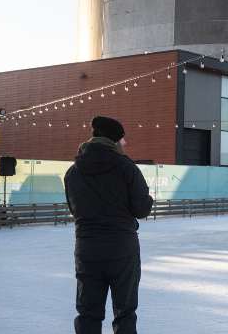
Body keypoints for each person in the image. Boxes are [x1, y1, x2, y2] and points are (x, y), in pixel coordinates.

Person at [64, 116, 154, 334]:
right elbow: (142, 210)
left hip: (87, 250)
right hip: (122, 250)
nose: (125, 143)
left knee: (88, 313)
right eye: (123, 139)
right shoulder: (127, 168)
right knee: (124, 313)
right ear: (114, 140)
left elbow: (74, 210)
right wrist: (148, 199)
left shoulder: (73, 172)